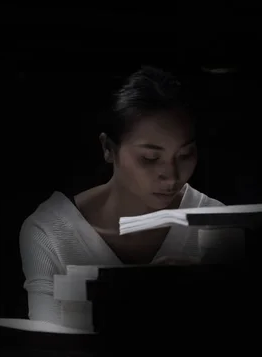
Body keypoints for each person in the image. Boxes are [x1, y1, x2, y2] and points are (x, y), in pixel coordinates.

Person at [19, 66, 243, 325]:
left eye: (184, 155)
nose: (171, 175)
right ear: (108, 149)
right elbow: (46, 344)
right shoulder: (51, 231)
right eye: (150, 158)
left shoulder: (215, 223)